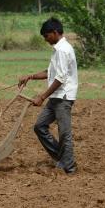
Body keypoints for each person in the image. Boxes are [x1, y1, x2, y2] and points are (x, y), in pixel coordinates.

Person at [18, 17, 78, 174]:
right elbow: (49, 72)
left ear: (55, 32)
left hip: (63, 97)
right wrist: (30, 76)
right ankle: (62, 159)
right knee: (40, 127)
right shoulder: (57, 50)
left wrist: (42, 96)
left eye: (46, 36)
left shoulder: (63, 50)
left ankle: (69, 168)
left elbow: (60, 78)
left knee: (64, 133)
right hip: (56, 97)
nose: (45, 39)